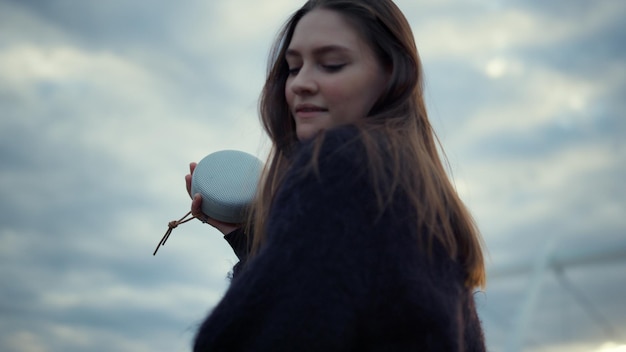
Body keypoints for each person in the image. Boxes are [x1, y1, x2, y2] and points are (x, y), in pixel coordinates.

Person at [185, 0, 487, 350]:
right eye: (293, 67)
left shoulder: (343, 166)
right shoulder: (421, 201)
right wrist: (254, 242)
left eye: (331, 64)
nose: (300, 83)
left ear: (392, 75)